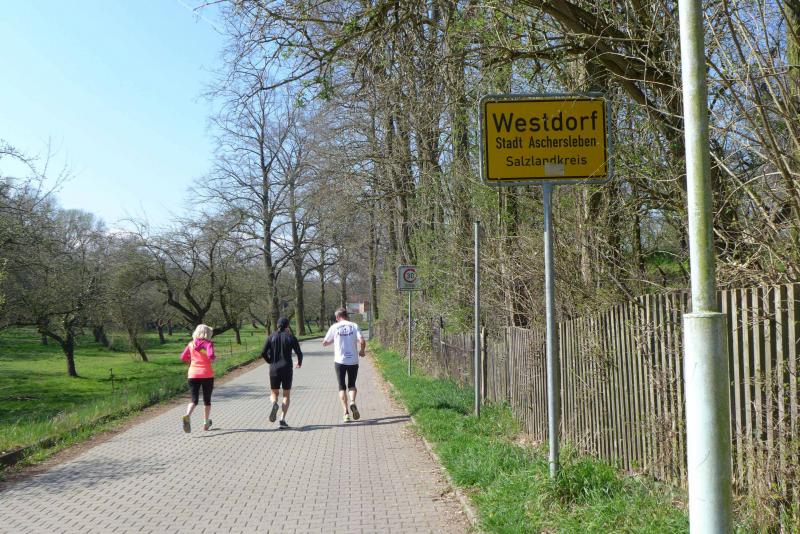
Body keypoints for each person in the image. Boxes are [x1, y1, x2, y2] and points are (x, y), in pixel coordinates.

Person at [322, 307, 366, 422]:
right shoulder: (354, 325)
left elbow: (325, 343)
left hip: (340, 361)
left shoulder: (334, 327)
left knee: (341, 387)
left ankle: (346, 413)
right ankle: (352, 401)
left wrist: (334, 340)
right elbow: (362, 340)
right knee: (352, 384)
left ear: (337, 317)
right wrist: (362, 351)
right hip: (353, 361)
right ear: (346, 316)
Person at [261, 317, 303, 429]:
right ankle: (282, 420)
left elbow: (263, 352)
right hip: (287, 368)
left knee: (274, 392)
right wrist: (299, 362)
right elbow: (299, 352)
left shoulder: (271, 337)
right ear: (287, 326)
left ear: (277, 325)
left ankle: (274, 403)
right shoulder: (291, 337)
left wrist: (270, 361)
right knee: (286, 395)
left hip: (274, 368)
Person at [180, 324, 216, 432]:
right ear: (207, 334)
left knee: (194, 399)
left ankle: (187, 415)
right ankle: (206, 423)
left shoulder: (191, 344)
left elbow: (183, 357)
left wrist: (191, 359)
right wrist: (213, 357)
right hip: (207, 374)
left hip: (193, 374)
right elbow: (211, 355)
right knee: (207, 400)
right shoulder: (208, 344)